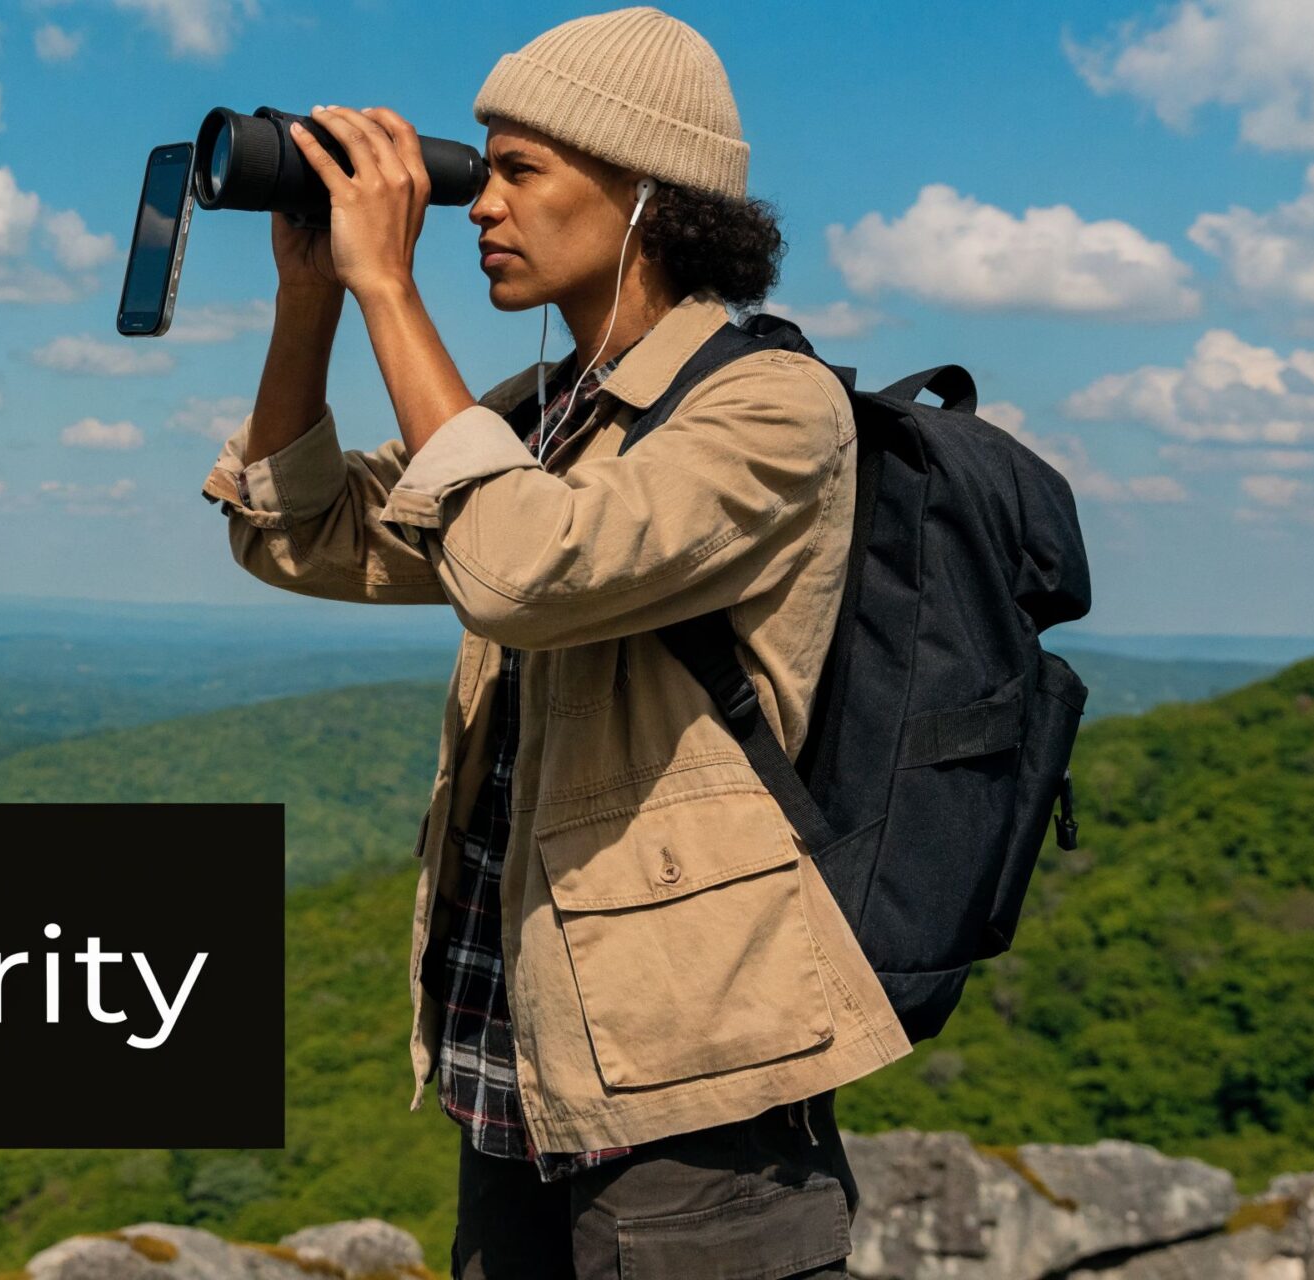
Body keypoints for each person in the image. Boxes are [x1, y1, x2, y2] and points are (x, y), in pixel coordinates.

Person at [197, 8, 912, 1277]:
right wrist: (310, 296)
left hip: (693, 1091)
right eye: (479, 169)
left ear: (648, 195)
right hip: (520, 1060)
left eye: (518, 171)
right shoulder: (545, 416)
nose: (476, 203)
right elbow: (296, 533)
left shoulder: (770, 407)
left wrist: (388, 285)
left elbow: (522, 567)